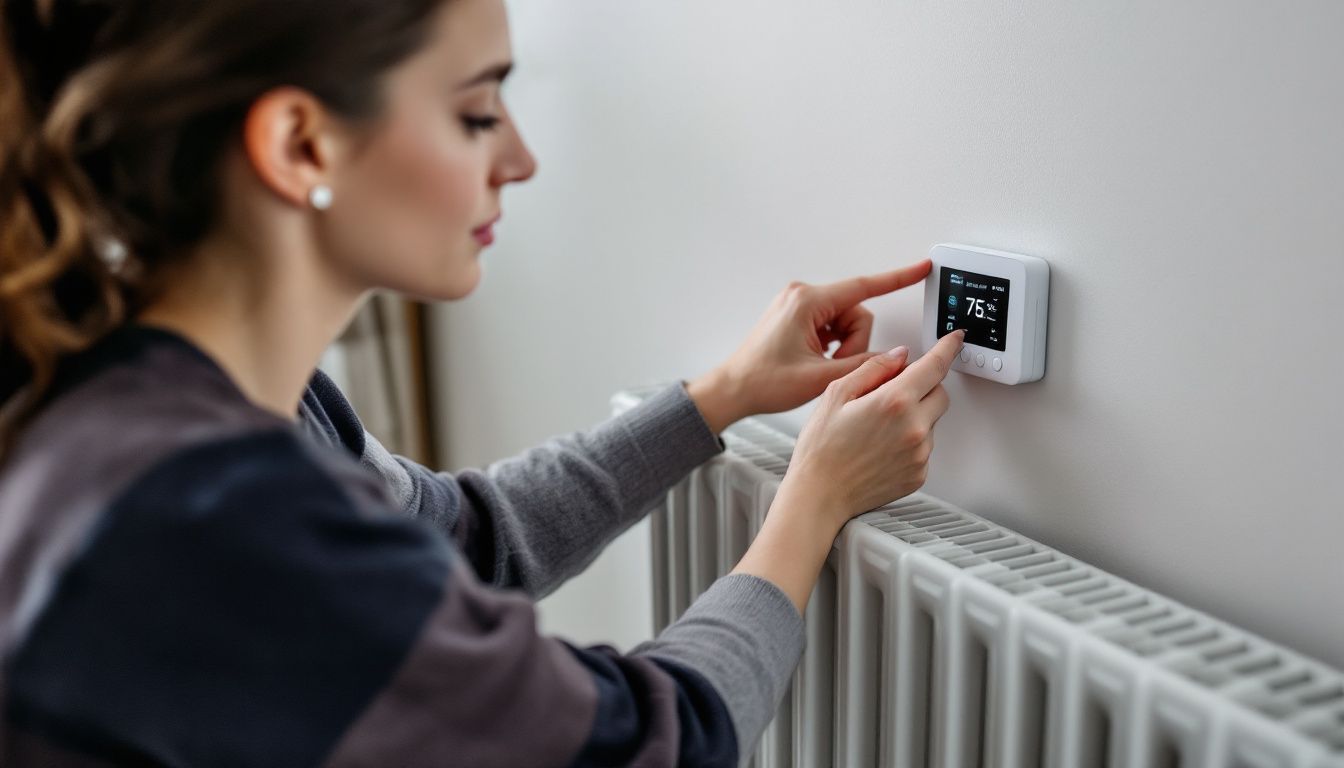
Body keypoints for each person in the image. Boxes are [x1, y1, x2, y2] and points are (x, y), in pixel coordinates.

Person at [0, 0, 964, 765]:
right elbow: (642, 751)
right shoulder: (208, 511)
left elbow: (463, 540)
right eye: (475, 113)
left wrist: (722, 394)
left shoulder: (194, 396)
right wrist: (813, 504)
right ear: (301, 145)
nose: (520, 159)